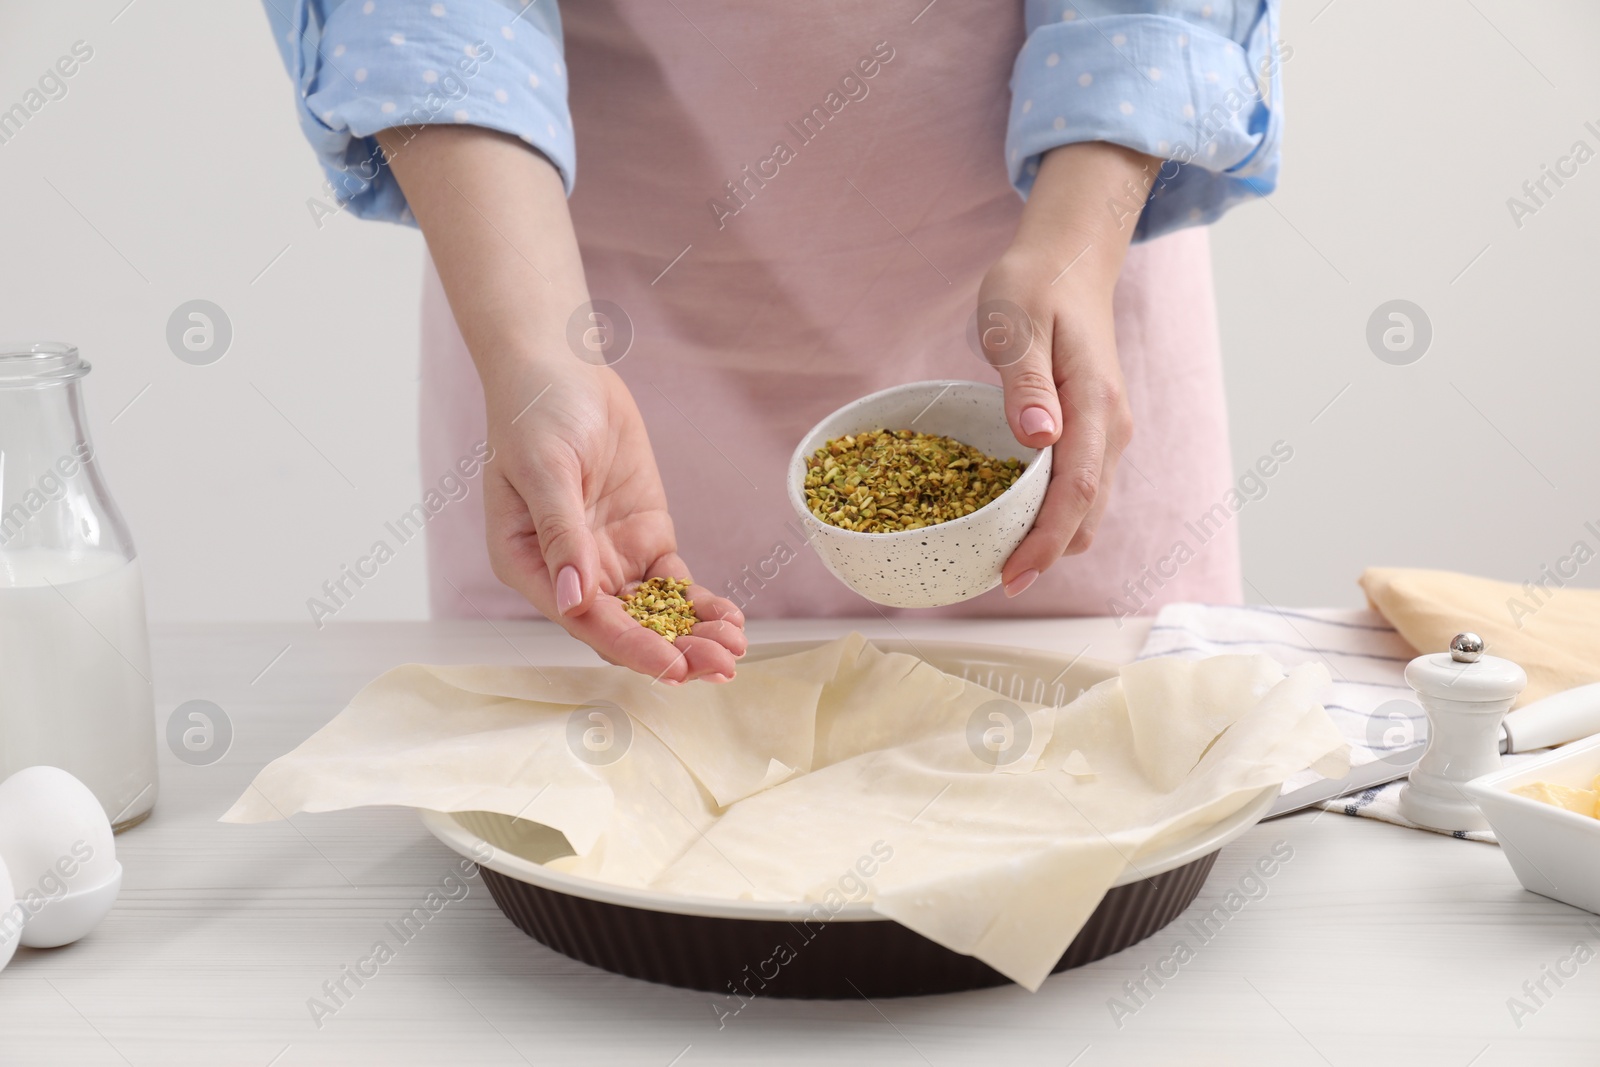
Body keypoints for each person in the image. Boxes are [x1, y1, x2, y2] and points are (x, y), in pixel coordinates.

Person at [265, 0, 1284, 683]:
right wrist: (538, 346)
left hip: (1057, 283)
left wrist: (1074, 244)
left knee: (1097, 799)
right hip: (566, 303)